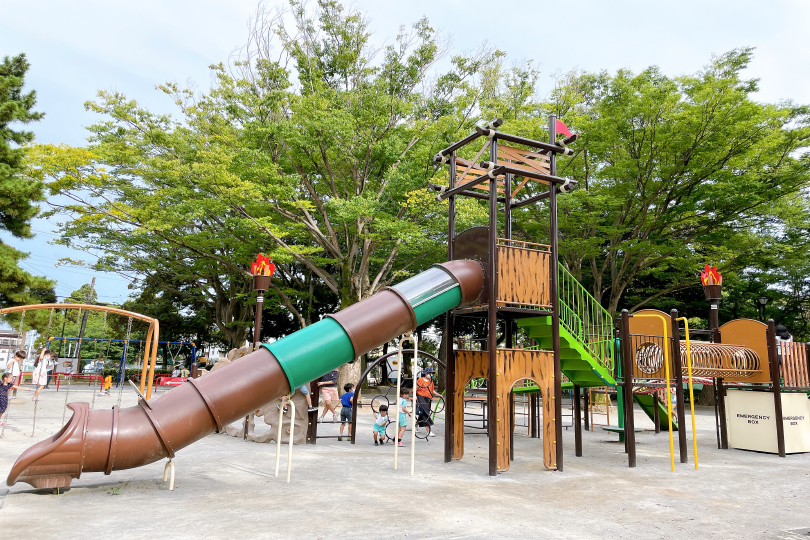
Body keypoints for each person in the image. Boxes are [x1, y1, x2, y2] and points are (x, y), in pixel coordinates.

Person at [415, 368, 442, 437]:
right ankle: (428, 431)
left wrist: (439, 395)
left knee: (423, 413)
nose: (431, 374)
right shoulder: (420, 380)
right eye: (429, 373)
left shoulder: (431, 381)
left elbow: (432, 391)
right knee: (425, 413)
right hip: (421, 397)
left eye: (431, 373)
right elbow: (416, 388)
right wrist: (415, 396)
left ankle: (416, 425)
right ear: (425, 373)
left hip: (428, 398)